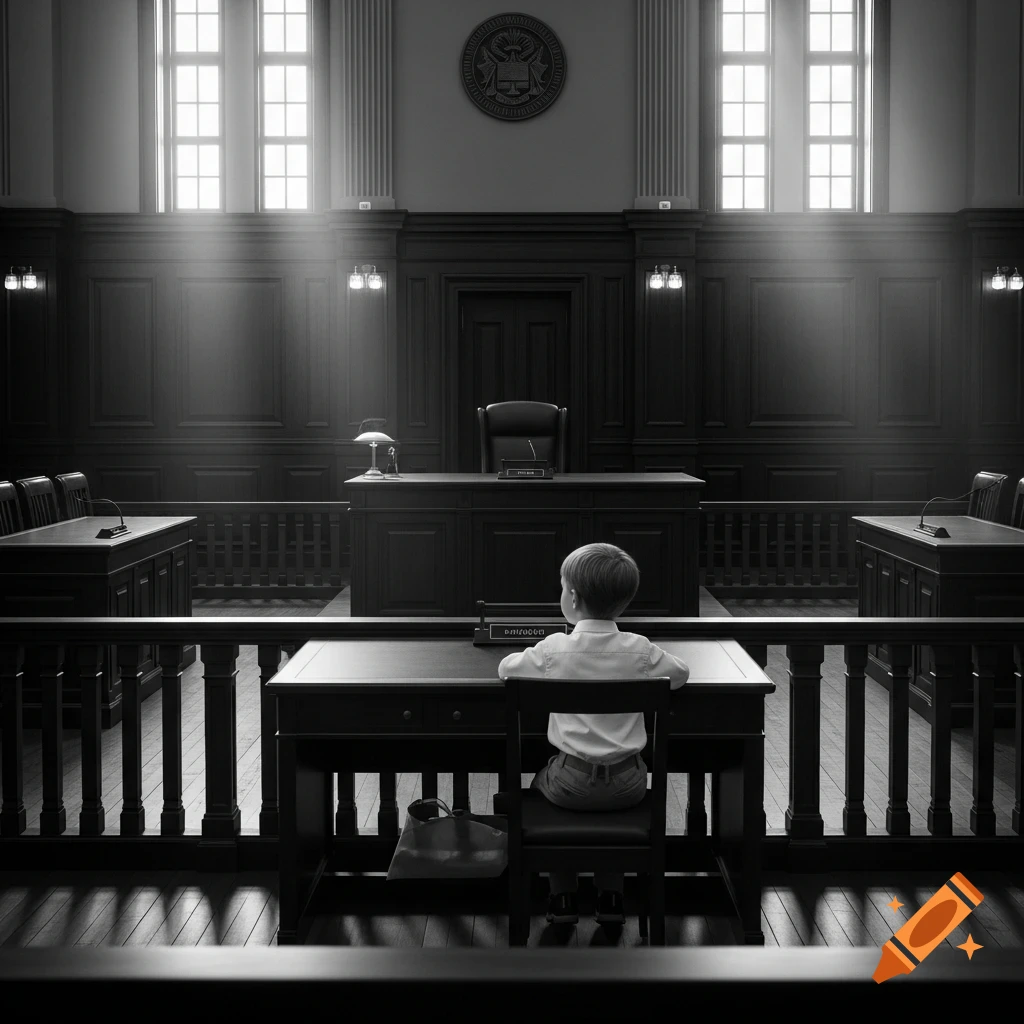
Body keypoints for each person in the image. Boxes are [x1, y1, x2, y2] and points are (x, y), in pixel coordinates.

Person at [497, 542, 689, 928]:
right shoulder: (641, 651)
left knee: (540, 784)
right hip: (629, 784)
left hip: (570, 784)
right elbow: (680, 673)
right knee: (611, 796)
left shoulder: (554, 650)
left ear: (571, 596)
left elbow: (506, 669)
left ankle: (563, 896)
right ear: (624, 601)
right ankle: (611, 896)